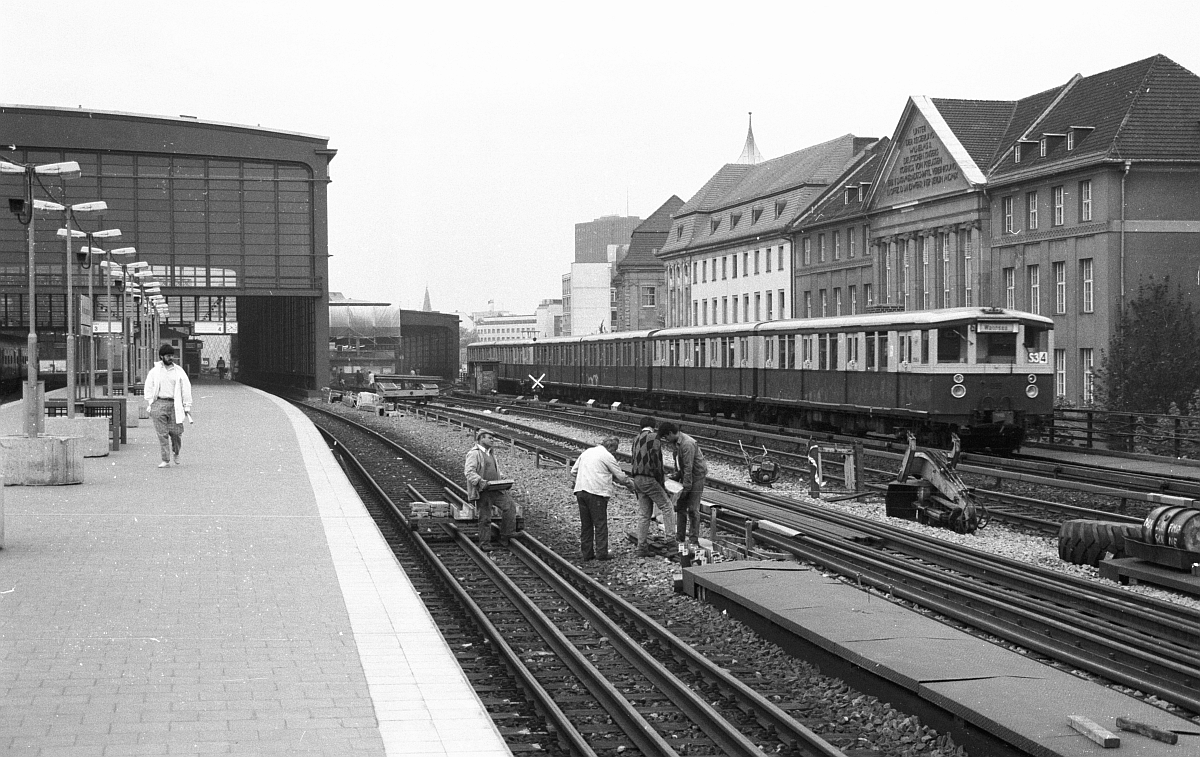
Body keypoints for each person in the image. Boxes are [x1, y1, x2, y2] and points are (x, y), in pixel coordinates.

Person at [570, 436, 634, 561]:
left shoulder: (587, 452)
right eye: (615, 449)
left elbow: (573, 471)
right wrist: (632, 486)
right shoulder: (607, 456)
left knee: (586, 524)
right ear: (610, 447)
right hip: (596, 493)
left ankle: (587, 553)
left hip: (580, 491)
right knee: (600, 524)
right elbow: (621, 476)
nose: (615, 452)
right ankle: (602, 553)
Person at [463, 428, 517, 551]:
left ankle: (506, 534)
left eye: (493, 438)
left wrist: (502, 480)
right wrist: (480, 481)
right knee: (485, 518)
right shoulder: (474, 454)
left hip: (496, 489)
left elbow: (492, 470)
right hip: (483, 491)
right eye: (490, 438)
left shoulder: (491, 453)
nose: (492, 440)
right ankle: (484, 543)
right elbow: (469, 472)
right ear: (481, 438)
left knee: (510, 506)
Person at [630, 416, 675, 557]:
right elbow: (657, 462)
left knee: (644, 514)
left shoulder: (636, 438)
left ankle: (641, 547)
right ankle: (671, 542)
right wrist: (661, 483)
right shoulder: (654, 437)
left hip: (637, 478)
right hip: (648, 478)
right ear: (653, 426)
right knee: (667, 506)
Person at [657, 421, 708, 545]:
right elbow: (681, 466)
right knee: (681, 507)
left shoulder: (687, 444)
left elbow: (688, 467)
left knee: (693, 509)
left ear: (670, 433)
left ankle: (693, 539)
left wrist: (686, 488)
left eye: (666, 437)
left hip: (697, 477)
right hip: (686, 475)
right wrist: (676, 476)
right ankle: (680, 537)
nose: (666, 440)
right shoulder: (676, 443)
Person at [144, 344, 193, 469]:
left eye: (172, 355)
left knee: (176, 433)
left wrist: (187, 405)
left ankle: (176, 452)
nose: (171, 358)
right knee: (162, 434)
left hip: (175, 404)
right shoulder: (155, 372)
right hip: (159, 403)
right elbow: (148, 387)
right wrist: (151, 402)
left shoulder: (179, 371)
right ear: (161, 356)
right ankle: (165, 460)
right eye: (168, 356)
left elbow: (186, 388)